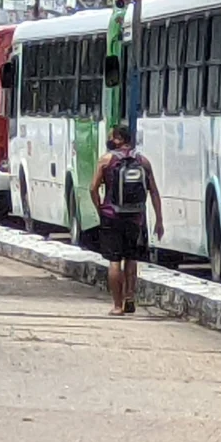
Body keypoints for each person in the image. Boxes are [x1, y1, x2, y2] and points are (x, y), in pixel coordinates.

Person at [90, 125, 165, 316]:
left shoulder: (106, 160)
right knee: (131, 258)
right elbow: (154, 191)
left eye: (111, 137)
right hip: (135, 217)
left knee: (115, 261)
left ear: (118, 139)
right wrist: (159, 220)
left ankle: (117, 305)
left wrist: (100, 208)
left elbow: (93, 188)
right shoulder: (142, 161)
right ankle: (129, 296)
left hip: (111, 216)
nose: (109, 140)